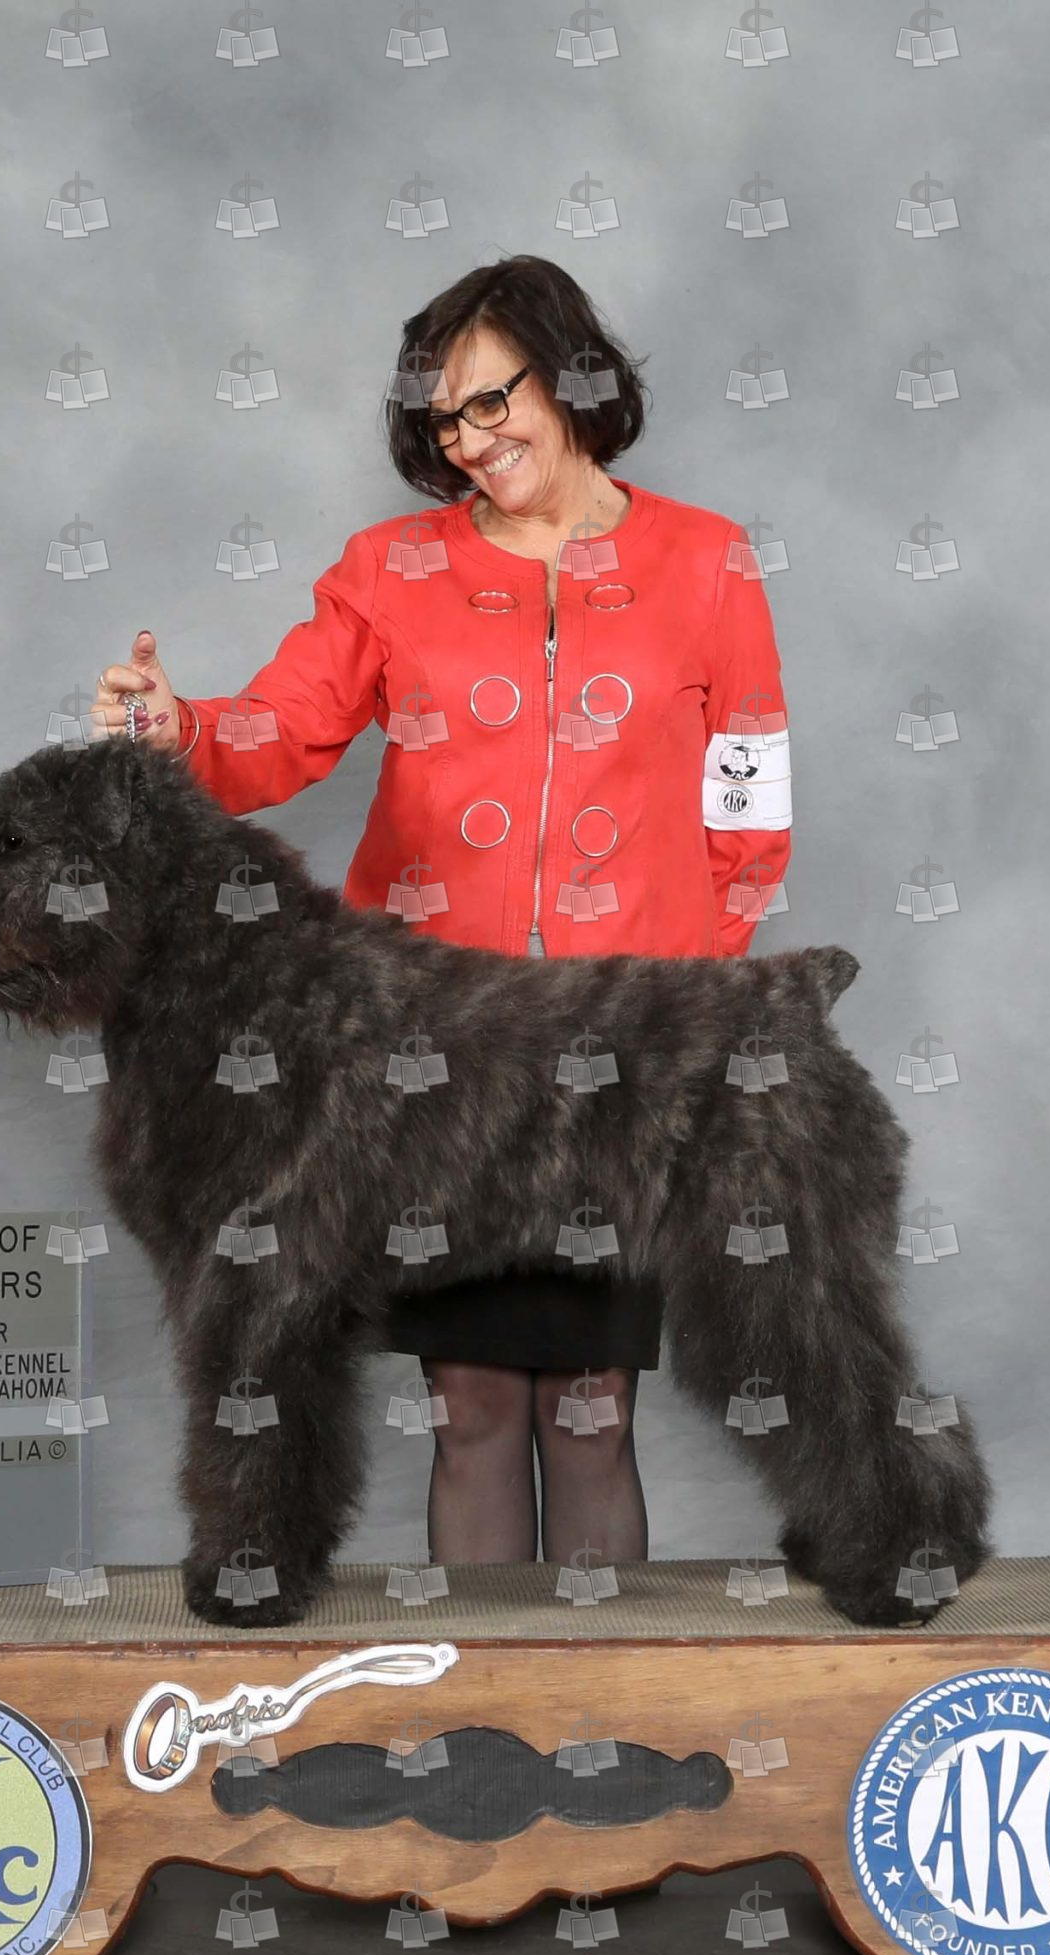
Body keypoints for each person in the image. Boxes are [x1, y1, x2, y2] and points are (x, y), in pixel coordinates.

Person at [91, 254, 790, 1574]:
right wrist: (176, 729)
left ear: (570, 372)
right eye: (443, 421)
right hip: (434, 1057)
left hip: (617, 1054)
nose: (469, 441)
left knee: (592, 1412)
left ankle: (597, 1688)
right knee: (469, 1412)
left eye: (489, 402)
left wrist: (689, 1009)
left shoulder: (709, 562)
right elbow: (276, 735)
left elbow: (748, 807)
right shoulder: (390, 571)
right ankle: (479, 1690)